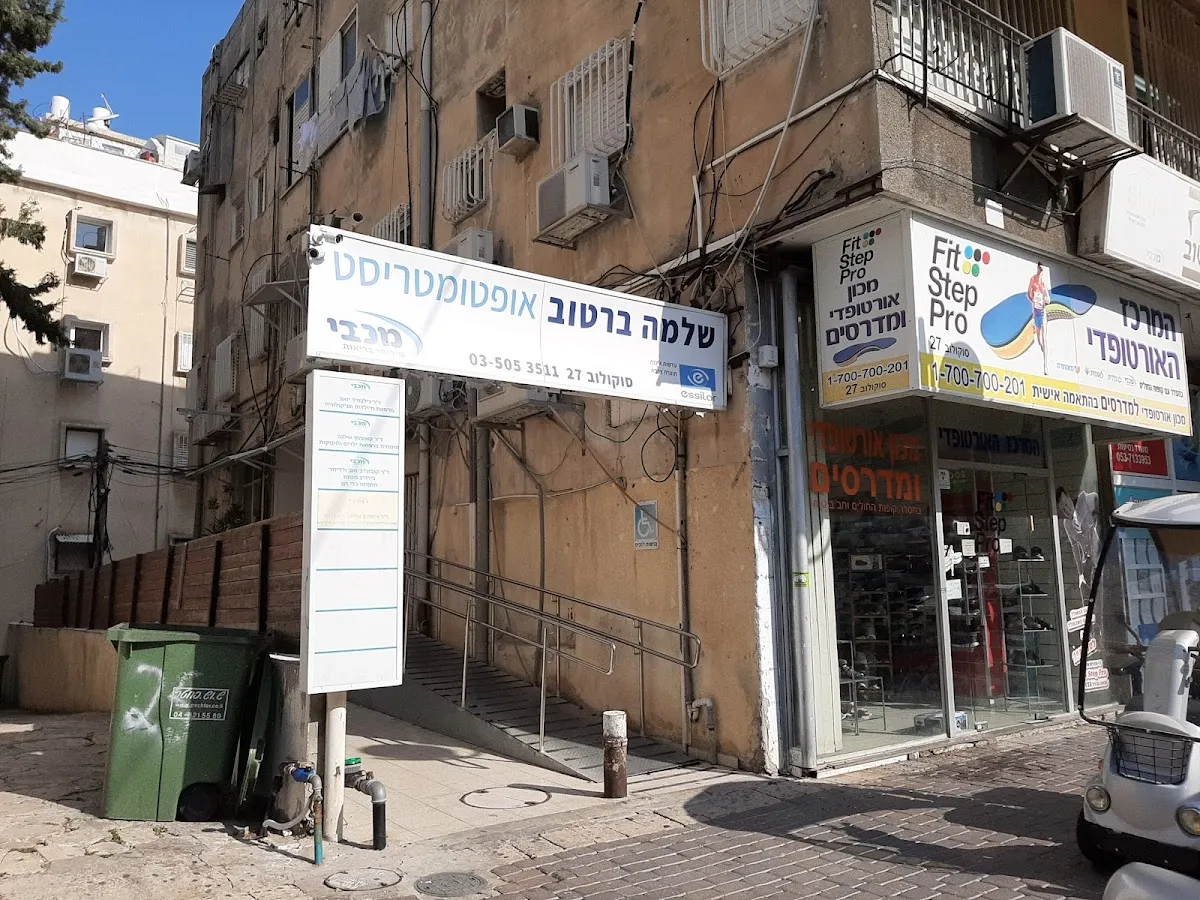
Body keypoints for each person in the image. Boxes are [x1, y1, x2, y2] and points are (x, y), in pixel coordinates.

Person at [1027, 262, 1050, 374]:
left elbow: (1048, 299)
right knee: (1039, 339)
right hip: (1036, 312)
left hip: (1042, 311)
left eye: (1042, 270)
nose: (1041, 272)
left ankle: (1046, 366)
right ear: (1037, 268)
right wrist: (1034, 300)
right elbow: (1028, 293)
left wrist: (1045, 299)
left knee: (1044, 339)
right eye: (1040, 269)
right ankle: (1041, 347)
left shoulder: (1043, 284)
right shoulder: (1033, 280)